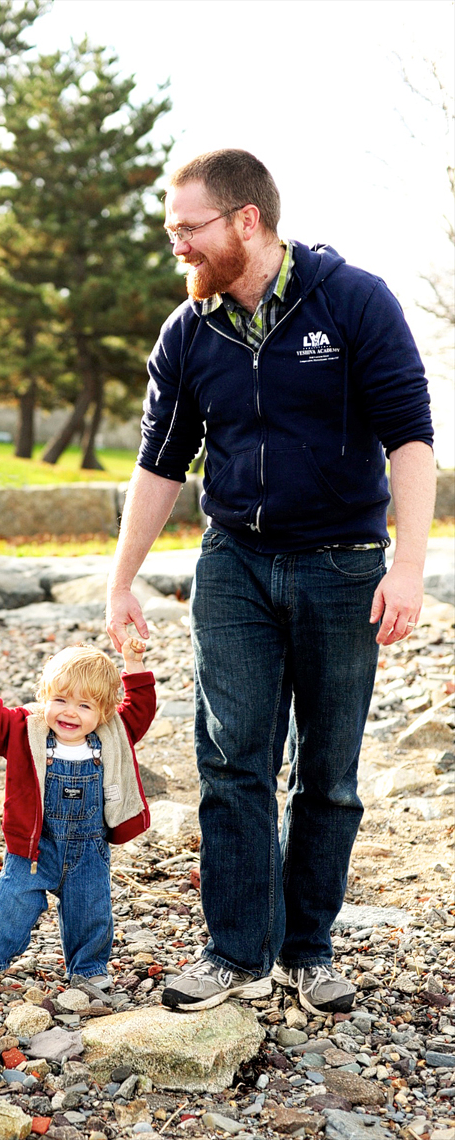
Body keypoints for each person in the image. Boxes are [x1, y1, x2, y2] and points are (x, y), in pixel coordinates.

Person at [105, 150, 436, 1015]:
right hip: (235, 567)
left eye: (189, 228)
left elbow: (409, 438)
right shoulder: (188, 333)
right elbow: (160, 464)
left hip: (343, 568)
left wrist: (408, 566)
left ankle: (307, 949)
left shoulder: (353, 300)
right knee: (231, 762)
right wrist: (121, 581)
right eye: (172, 228)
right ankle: (235, 952)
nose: (176, 244)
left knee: (326, 774)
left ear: (245, 221)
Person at [0, 639, 155, 988]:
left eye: (84, 705)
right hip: (35, 846)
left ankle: (89, 969)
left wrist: (134, 663)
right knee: (13, 901)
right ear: (44, 697)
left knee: (90, 910)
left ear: (104, 712)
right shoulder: (24, 731)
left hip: (89, 847)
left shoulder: (113, 735)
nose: (69, 713)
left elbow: (141, 709)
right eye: (59, 700)